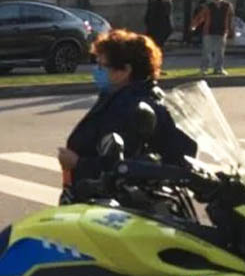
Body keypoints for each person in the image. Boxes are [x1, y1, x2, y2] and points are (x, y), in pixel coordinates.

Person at [57, 29, 196, 195]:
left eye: (103, 66)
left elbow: (123, 163)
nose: (97, 71)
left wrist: (78, 164)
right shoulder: (125, 95)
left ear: (125, 70)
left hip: (112, 201)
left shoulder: (130, 106)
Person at [191, 0, 235, 75]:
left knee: (220, 51)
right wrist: (194, 25)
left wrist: (231, 30)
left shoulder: (228, 5)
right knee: (206, 51)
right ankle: (204, 69)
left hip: (222, 31)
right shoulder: (208, 6)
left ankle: (218, 68)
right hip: (208, 31)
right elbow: (201, 16)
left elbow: (231, 18)